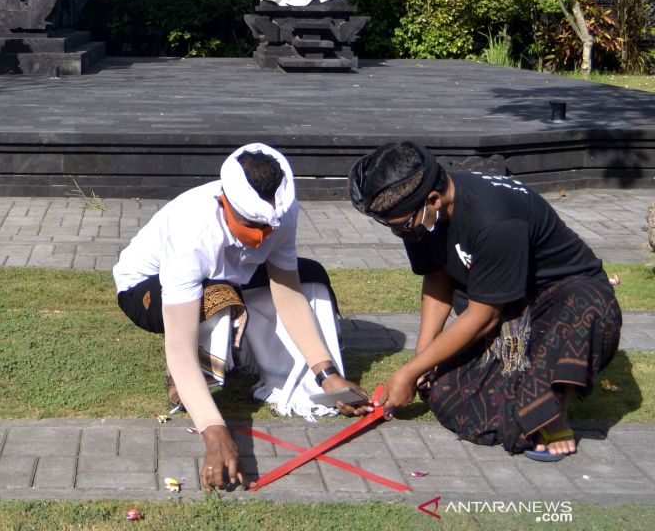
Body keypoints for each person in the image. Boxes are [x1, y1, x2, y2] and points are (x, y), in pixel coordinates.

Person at [113, 143, 369, 491]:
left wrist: (326, 374)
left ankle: (280, 374)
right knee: (218, 295)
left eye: (269, 226)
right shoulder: (192, 234)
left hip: (228, 277)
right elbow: (178, 344)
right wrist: (216, 433)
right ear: (223, 203)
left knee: (312, 276)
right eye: (252, 225)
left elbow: (288, 292)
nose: (263, 236)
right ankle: (190, 385)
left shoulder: (283, 213)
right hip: (144, 291)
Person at [347, 141, 621, 462]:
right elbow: (438, 277)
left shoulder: (495, 220)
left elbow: (484, 318)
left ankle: (552, 411)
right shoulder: (421, 219)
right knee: (447, 397)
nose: (398, 233)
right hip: (509, 307)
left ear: (433, 199)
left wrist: (408, 373)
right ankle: (533, 392)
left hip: (564, 305)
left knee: (580, 312)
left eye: (401, 225)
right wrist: (421, 361)